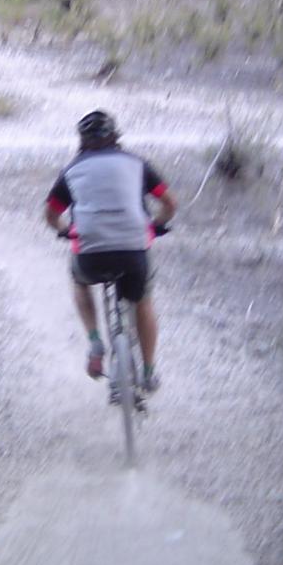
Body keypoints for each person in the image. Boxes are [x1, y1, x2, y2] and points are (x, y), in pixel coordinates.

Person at [44, 110, 177, 392]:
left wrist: (65, 229)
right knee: (142, 301)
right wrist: (156, 226)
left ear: (82, 140)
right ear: (115, 136)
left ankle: (95, 341)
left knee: (80, 281)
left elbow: (50, 213)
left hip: (91, 253)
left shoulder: (71, 170)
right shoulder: (137, 164)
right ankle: (149, 372)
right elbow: (170, 203)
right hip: (133, 251)